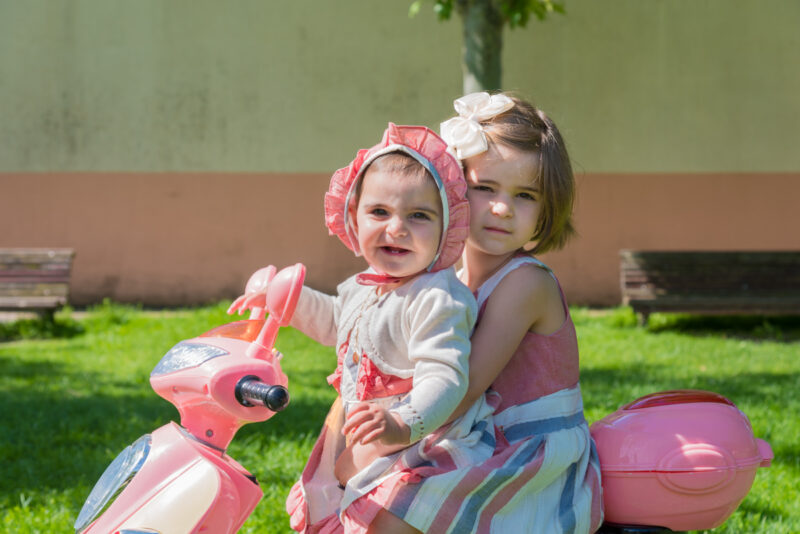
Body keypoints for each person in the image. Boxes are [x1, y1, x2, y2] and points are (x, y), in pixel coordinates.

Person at [229, 123, 496, 533]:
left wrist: (403, 423)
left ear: (447, 227)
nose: (397, 228)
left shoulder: (436, 297)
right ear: (353, 218)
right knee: (339, 501)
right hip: (369, 430)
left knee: (385, 514)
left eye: (419, 216)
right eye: (379, 212)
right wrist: (287, 299)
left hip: (422, 440)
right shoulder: (362, 286)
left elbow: (445, 376)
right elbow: (338, 323)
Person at [363, 92, 604, 533]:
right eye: (485, 188)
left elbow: (463, 387)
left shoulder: (525, 283)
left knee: (393, 515)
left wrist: (386, 440)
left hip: (527, 453)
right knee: (368, 496)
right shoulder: (451, 279)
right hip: (472, 435)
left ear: (547, 207)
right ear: (451, 188)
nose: (502, 208)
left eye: (525, 195)